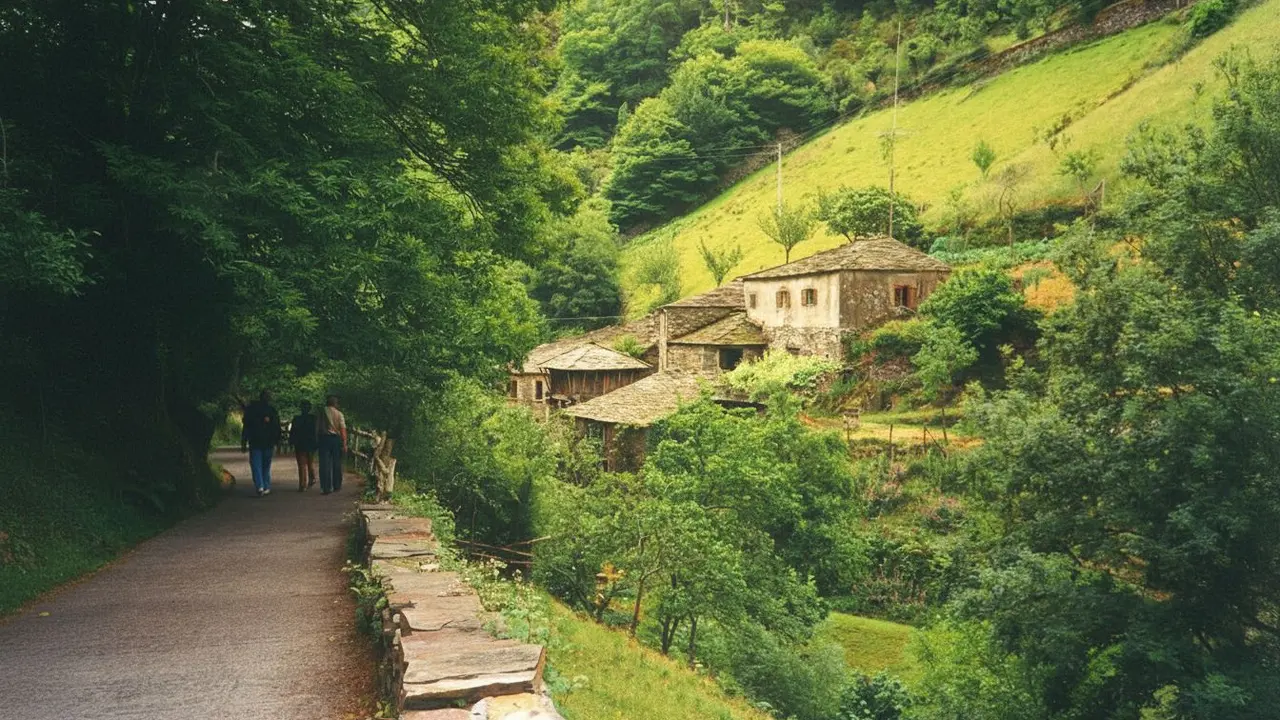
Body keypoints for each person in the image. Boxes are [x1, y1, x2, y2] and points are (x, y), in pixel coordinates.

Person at [241, 390, 281, 497]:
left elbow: (246, 427)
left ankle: (260, 485)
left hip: (255, 441)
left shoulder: (251, 410)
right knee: (266, 465)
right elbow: (276, 427)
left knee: (256, 465)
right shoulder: (272, 411)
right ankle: (266, 486)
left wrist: (244, 441)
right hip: (268, 442)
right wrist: (277, 441)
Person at [317, 394, 347, 495]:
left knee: (324, 463)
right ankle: (337, 485)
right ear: (335, 404)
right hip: (336, 439)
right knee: (336, 462)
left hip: (324, 439)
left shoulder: (321, 412)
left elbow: (317, 427)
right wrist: (344, 443)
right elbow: (343, 429)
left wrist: (316, 438)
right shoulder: (339, 414)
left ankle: (326, 487)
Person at [290, 400, 319, 491]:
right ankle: (312, 478)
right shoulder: (314, 419)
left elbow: (293, 432)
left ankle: (303, 484)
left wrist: (291, 442)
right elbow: (317, 431)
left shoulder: (296, 419)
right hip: (311, 443)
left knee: (302, 464)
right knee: (310, 462)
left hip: (300, 444)